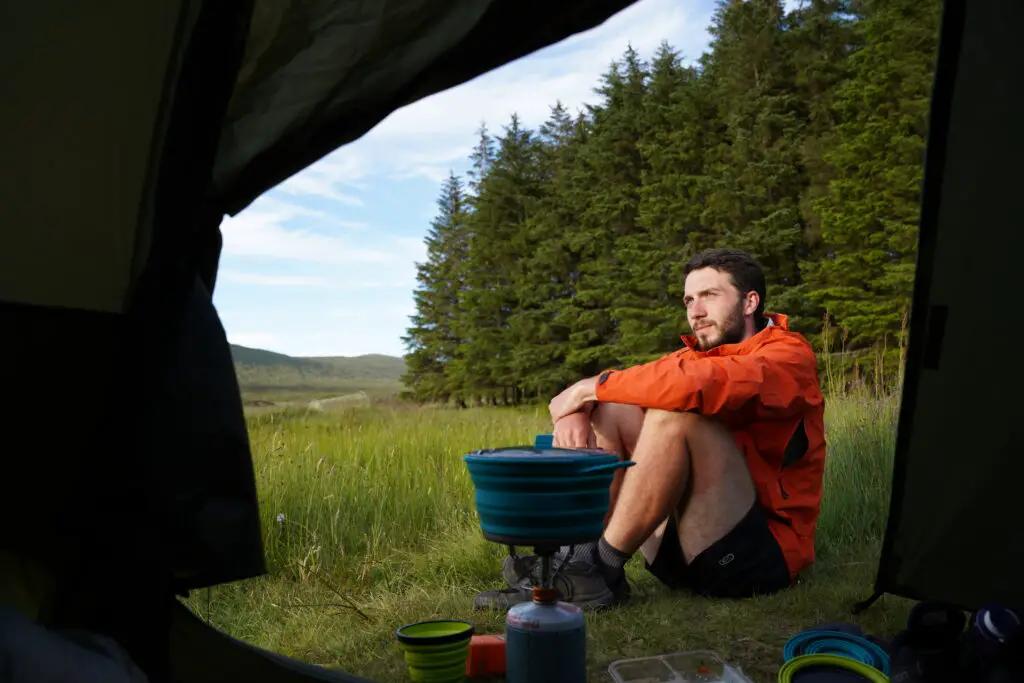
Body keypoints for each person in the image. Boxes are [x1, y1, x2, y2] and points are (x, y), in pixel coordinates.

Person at [474, 248, 827, 611]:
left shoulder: (788, 356)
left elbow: (702, 384)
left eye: (709, 295)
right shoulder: (695, 358)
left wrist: (585, 389)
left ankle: (602, 569)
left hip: (757, 559)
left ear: (750, 301)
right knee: (615, 406)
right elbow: (635, 383)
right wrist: (577, 408)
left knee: (676, 414)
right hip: (682, 552)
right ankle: (577, 559)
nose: (696, 311)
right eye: (689, 299)